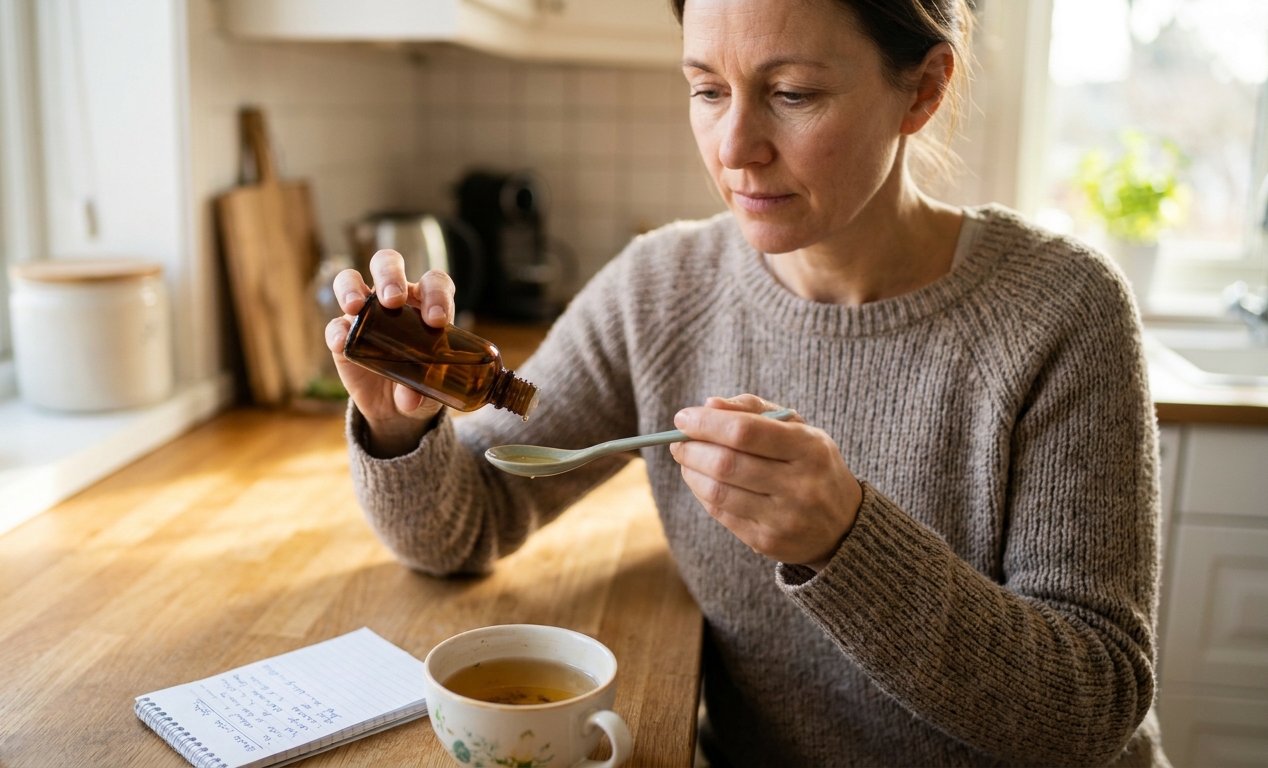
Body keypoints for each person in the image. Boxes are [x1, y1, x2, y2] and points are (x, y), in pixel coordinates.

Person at [324, 0, 1167, 764]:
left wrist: (848, 542)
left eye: (793, 93)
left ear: (923, 90)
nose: (733, 149)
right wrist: (398, 426)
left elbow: (1091, 709)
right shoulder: (658, 290)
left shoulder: (1062, 312)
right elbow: (465, 523)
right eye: (706, 90)